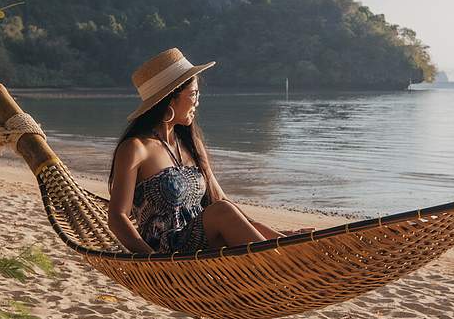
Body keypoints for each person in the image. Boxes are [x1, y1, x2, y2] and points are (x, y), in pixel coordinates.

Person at [107, 48, 306, 254]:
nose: (198, 101)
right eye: (193, 93)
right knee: (222, 211)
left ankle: (289, 252)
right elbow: (117, 218)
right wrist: (150, 260)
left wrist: (279, 236)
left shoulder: (190, 145)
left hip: (204, 245)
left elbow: (222, 201)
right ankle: (282, 263)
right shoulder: (136, 148)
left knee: (225, 210)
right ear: (170, 98)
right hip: (166, 251)